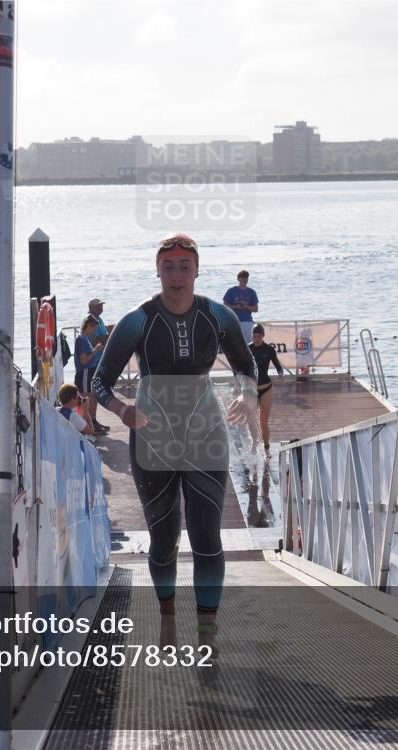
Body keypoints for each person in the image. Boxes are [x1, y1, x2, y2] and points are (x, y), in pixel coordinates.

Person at [92, 233, 258, 647]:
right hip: (153, 438)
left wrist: (246, 393)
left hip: (205, 433)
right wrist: (122, 410)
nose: (177, 275)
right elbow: (97, 381)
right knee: (164, 540)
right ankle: (167, 621)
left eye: (185, 267)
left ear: (197, 270)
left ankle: (206, 633)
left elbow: (246, 364)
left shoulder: (217, 315)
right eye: (169, 267)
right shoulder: (138, 320)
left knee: (207, 538)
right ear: (158, 271)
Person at [248, 324, 285, 456]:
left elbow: (276, 363)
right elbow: (239, 366)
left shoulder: (269, 349)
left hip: (266, 389)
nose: (256, 338)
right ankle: (254, 442)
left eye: (259, 336)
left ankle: (267, 447)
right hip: (251, 389)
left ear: (263, 336)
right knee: (251, 419)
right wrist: (237, 382)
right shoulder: (248, 349)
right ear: (252, 336)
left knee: (263, 421)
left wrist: (280, 373)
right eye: (254, 336)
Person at [74, 316, 106, 433]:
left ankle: (92, 422)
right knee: (85, 399)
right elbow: (83, 360)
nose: (94, 332)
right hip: (84, 372)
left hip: (89, 372)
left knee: (92, 397)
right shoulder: (81, 340)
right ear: (88, 326)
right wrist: (95, 350)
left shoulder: (85, 338)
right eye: (93, 329)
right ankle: (85, 426)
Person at [87, 298, 113, 432]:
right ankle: (91, 421)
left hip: (99, 360)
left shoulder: (98, 320)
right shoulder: (91, 321)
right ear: (91, 308)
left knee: (94, 392)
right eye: (98, 306)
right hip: (93, 361)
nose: (100, 308)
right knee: (92, 393)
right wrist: (109, 334)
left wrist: (108, 332)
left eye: (101, 305)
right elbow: (95, 341)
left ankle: (93, 420)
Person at [223, 269, 259, 341]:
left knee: (248, 345)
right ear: (238, 279)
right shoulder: (231, 291)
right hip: (234, 322)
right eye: (242, 278)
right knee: (234, 344)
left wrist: (246, 306)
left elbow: (256, 309)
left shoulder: (251, 292)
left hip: (247, 322)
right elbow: (225, 306)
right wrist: (236, 306)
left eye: (246, 278)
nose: (244, 280)